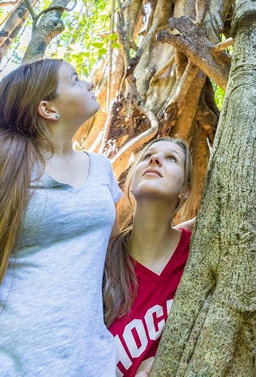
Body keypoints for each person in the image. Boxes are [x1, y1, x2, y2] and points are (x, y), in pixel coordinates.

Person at [0, 59, 122, 376]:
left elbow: (119, 246)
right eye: (76, 79)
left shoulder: (101, 168)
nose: (90, 83)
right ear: (48, 109)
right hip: (14, 358)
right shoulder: (8, 164)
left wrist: (197, 234)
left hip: (89, 359)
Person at [104, 136, 193, 377]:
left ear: (185, 190)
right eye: (147, 157)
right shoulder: (102, 261)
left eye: (171, 158)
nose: (155, 159)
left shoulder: (198, 253)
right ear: (131, 182)